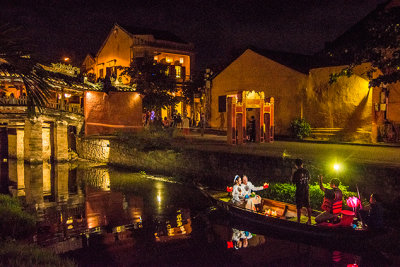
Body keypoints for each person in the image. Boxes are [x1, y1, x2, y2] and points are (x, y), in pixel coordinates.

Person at [292, 159, 312, 224]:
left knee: (299, 206)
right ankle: (309, 220)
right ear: (302, 164)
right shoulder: (307, 171)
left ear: (296, 165)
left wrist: (293, 174)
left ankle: (298, 221)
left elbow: (293, 182)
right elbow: (309, 179)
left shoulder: (296, 172)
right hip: (306, 190)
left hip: (299, 191)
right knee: (308, 205)